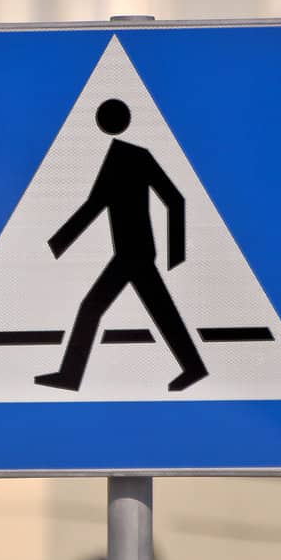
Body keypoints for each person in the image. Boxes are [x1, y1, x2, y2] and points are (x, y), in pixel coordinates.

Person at [34, 98, 209, 393]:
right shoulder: (130, 156)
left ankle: (70, 375)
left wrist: (177, 255)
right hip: (133, 252)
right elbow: (98, 204)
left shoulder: (124, 156)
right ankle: (193, 367)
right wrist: (57, 244)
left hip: (133, 253)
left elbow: (170, 200)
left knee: (94, 307)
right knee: (159, 311)